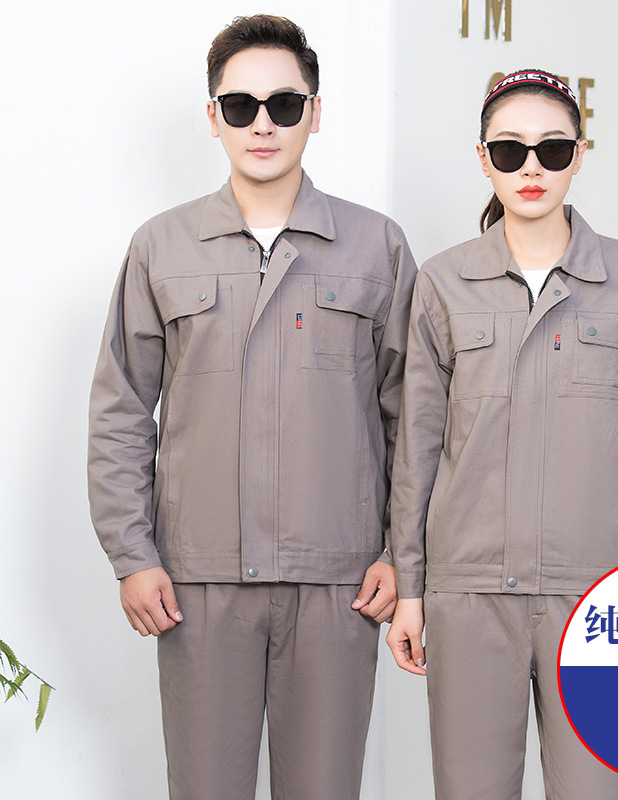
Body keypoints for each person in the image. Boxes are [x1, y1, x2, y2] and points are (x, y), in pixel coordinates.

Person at [88, 14, 416, 800]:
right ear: (214, 117)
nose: (262, 124)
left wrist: (402, 554)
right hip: (198, 583)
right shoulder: (161, 247)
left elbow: (416, 419)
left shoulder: (377, 247)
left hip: (339, 582)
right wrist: (133, 555)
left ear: (315, 111)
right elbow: (121, 411)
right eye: (240, 106)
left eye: (284, 104)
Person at [386, 70, 618, 800]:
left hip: (599, 598)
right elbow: (416, 449)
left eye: (553, 148)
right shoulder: (442, 283)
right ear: (484, 159)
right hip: (470, 595)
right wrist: (410, 588)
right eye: (510, 150)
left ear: (579, 154)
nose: (531, 167)